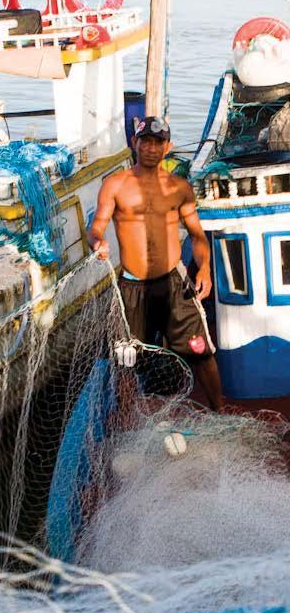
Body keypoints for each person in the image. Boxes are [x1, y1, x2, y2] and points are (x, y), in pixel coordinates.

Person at [87, 115, 224, 411]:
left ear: (168, 147)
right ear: (134, 143)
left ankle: (220, 411)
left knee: (201, 350)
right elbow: (96, 226)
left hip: (174, 284)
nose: (150, 148)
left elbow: (198, 236)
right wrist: (98, 242)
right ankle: (125, 424)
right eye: (145, 141)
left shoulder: (179, 187)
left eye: (157, 143)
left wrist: (204, 269)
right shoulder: (114, 184)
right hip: (132, 287)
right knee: (126, 358)